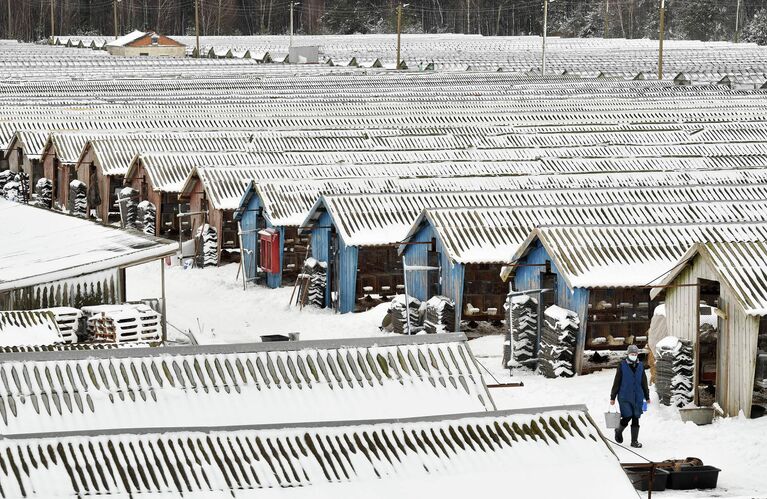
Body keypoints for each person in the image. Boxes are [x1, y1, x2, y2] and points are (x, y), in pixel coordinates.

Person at [610, 344, 650, 448]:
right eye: (632, 353)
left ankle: (634, 441)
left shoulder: (640, 365)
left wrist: (647, 396)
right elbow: (617, 382)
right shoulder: (622, 365)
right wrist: (613, 397)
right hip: (625, 396)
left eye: (635, 354)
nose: (634, 355)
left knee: (636, 417)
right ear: (628, 354)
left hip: (638, 396)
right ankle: (618, 430)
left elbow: (644, 382)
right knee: (627, 416)